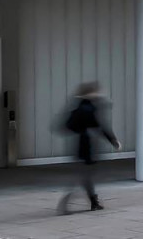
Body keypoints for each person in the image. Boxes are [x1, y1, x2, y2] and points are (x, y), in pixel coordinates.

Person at [59, 82, 120, 214]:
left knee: (86, 176)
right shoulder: (89, 108)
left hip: (82, 143)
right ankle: (69, 202)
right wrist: (113, 140)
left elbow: (68, 126)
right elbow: (101, 126)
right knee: (85, 176)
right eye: (95, 92)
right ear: (90, 93)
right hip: (89, 145)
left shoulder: (79, 106)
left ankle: (93, 202)